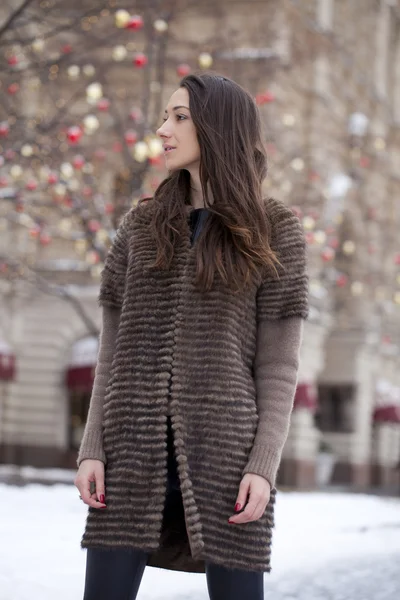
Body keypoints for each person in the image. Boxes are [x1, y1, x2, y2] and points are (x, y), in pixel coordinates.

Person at [74, 72, 309, 600]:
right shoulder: (140, 227)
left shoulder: (275, 230)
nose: (163, 129)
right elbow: (110, 352)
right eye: (165, 116)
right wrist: (93, 447)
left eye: (179, 117)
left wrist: (263, 467)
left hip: (227, 462)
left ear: (217, 127)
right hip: (129, 458)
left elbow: (278, 366)